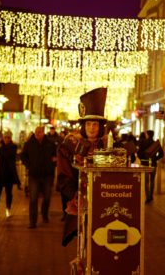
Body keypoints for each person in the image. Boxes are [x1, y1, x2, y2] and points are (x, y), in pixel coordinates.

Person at [56, 87, 107, 246]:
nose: (92, 128)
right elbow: (63, 176)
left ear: (100, 127)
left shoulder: (108, 147)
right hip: (80, 203)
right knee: (84, 244)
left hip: (104, 203)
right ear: (83, 126)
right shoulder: (70, 146)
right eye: (89, 124)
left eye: (95, 124)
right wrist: (74, 195)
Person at [21, 126, 57, 228]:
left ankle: (44, 214)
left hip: (47, 175)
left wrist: (52, 164)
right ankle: (32, 222)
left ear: (43, 133)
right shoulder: (29, 144)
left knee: (47, 197)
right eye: (36, 132)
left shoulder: (50, 143)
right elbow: (23, 156)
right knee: (33, 199)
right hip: (34, 175)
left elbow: (55, 156)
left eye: (40, 132)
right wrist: (29, 166)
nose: (38, 133)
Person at [0, 130, 21, 217]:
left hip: (9, 174)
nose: (6, 139)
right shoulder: (0, 146)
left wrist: (0, 148)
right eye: (5, 137)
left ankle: (8, 208)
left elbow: (7, 154)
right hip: (0, 174)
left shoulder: (13, 146)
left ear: (10, 138)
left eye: (8, 138)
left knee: (8, 193)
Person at [137, 130, 164, 203]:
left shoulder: (143, 143)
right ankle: (151, 195)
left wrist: (142, 159)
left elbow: (139, 153)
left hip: (145, 164)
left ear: (148, 135)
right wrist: (155, 158)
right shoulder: (156, 144)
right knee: (152, 181)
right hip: (153, 164)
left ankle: (148, 197)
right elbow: (161, 154)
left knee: (146, 182)